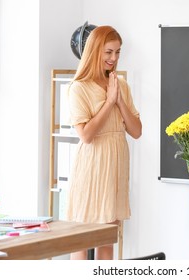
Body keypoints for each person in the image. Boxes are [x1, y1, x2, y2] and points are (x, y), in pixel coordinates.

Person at [66, 26, 142, 260]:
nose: (114, 58)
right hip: (92, 165)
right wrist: (109, 102)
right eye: (108, 52)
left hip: (116, 164)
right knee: (82, 236)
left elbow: (136, 131)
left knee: (107, 238)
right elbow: (86, 135)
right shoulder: (78, 87)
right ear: (95, 50)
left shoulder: (121, 85)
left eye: (118, 52)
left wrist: (119, 100)